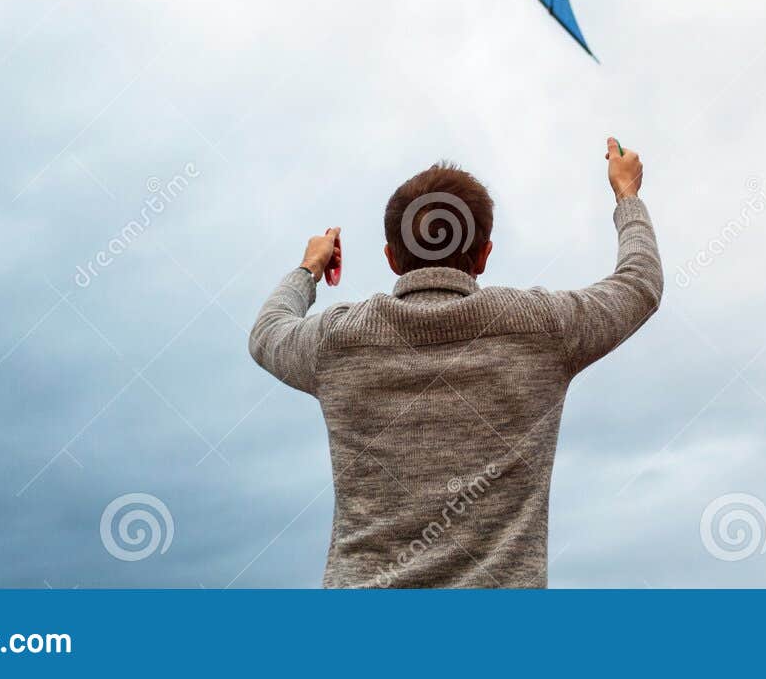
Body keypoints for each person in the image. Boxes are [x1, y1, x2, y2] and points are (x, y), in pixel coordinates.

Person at [247, 137, 662, 587]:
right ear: (484, 254)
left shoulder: (338, 340)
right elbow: (639, 284)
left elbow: (268, 330)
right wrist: (627, 194)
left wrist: (309, 266)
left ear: (391, 258)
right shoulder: (542, 327)